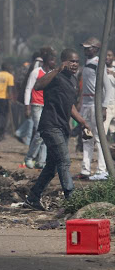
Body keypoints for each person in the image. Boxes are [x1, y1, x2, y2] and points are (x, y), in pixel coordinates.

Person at [25, 49, 90, 210]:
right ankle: (71, 198)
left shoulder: (73, 80)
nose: (74, 64)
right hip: (50, 125)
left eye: (76, 61)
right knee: (64, 161)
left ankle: (33, 197)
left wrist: (82, 122)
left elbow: (70, 106)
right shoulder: (55, 76)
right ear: (64, 61)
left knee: (52, 166)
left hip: (63, 127)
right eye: (71, 61)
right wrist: (57, 69)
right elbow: (38, 85)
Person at [78, 37, 113, 181]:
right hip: (86, 104)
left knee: (99, 138)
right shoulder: (86, 63)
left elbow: (109, 88)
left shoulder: (99, 64)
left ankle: (101, 170)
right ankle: (85, 170)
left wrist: (104, 107)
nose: (86, 50)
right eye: (85, 47)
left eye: (89, 47)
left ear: (96, 49)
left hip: (95, 104)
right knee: (86, 137)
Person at [23, 48, 56, 169]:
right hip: (36, 105)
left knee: (46, 133)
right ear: (47, 61)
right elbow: (28, 88)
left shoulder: (53, 73)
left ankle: (41, 161)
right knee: (40, 132)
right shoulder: (36, 72)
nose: (54, 62)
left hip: (48, 105)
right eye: (52, 60)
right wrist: (27, 106)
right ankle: (29, 157)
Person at [0, 63, 14, 141]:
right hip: (5, 98)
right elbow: (10, 88)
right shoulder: (9, 76)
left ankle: (0, 132)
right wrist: (10, 97)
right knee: (4, 114)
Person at [104, 50, 115, 142]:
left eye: (109, 55)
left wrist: (112, 73)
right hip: (106, 104)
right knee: (104, 129)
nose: (107, 57)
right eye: (106, 55)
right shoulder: (101, 70)